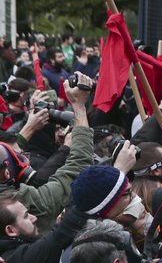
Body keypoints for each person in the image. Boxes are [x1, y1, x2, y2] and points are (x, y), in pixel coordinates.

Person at [0, 73, 95, 234]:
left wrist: (27, 127)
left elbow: (6, 153)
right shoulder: (16, 203)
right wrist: (79, 107)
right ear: (7, 172)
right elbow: (78, 166)